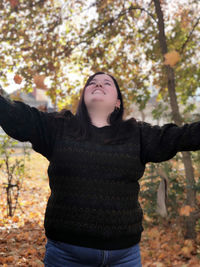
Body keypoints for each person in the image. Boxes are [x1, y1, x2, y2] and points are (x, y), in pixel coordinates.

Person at [0, 71, 200, 267]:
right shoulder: (59, 127)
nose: (98, 84)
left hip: (124, 256)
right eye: (92, 82)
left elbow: (181, 136)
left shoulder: (137, 134)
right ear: (83, 97)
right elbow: (17, 117)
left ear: (117, 102)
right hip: (66, 255)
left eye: (107, 83)